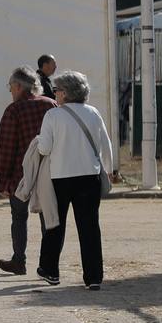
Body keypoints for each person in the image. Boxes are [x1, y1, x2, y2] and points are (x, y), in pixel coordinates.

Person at [34, 70, 112, 290]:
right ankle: (94, 277)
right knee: (89, 227)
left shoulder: (53, 115)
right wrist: (110, 169)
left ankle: (50, 270)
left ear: (65, 93)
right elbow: (105, 145)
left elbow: (45, 147)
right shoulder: (93, 112)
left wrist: (39, 143)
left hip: (60, 177)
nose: (55, 93)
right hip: (90, 176)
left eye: (57, 90)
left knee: (55, 223)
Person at [0, 66, 57, 275]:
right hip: (50, 172)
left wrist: (2, 179)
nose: (10, 91)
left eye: (10, 86)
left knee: (19, 218)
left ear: (19, 86)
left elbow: (6, 146)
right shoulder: (52, 104)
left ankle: (19, 261)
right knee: (48, 219)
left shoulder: (14, 110)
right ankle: (47, 264)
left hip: (21, 176)